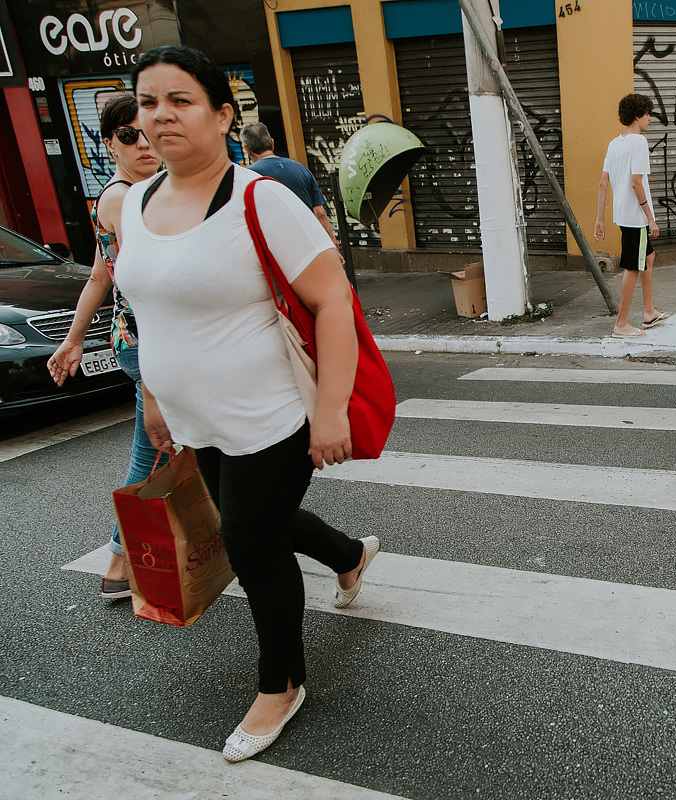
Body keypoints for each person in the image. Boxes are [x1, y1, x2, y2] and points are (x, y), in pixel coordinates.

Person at [116, 45, 381, 763]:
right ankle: (350, 554)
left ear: (223, 114)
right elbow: (148, 312)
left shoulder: (260, 199)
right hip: (193, 416)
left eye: (180, 100)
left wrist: (329, 413)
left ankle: (282, 682)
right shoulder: (135, 204)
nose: (160, 116)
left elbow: (333, 300)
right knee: (253, 517)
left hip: (270, 417)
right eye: (147, 103)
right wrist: (154, 398)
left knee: (250, 539)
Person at [46, 94, 162, 600]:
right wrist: (156, 382)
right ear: (109, 145)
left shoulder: (134, 193)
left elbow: (99, 275)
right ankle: (118, 562)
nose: (144, 144)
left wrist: (72, 341)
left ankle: (121, 562)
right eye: (128, 136)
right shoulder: (122, 199)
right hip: (150, 344)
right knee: (149, 454)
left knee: (160, 451)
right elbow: (140, 287)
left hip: (140, 341)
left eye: (149, 132)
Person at [594, 93, 669, 338]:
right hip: (636, 217)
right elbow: (636, 183)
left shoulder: (614, 143)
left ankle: (649, 311)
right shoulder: (639, 142)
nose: (649, 118)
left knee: (648, 255)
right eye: (647, 114)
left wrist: (599, 220)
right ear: (638, 115)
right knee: (632, 267)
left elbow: (602, 183)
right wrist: (650, 217)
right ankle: (621, 324)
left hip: (622, 214)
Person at [240, 121, 341, 256]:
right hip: (310, 247)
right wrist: (332, 243)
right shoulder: (300, 169)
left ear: (247, 149)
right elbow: (320, 213)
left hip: (277, 252)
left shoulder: (247, 178)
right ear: (272, 143)